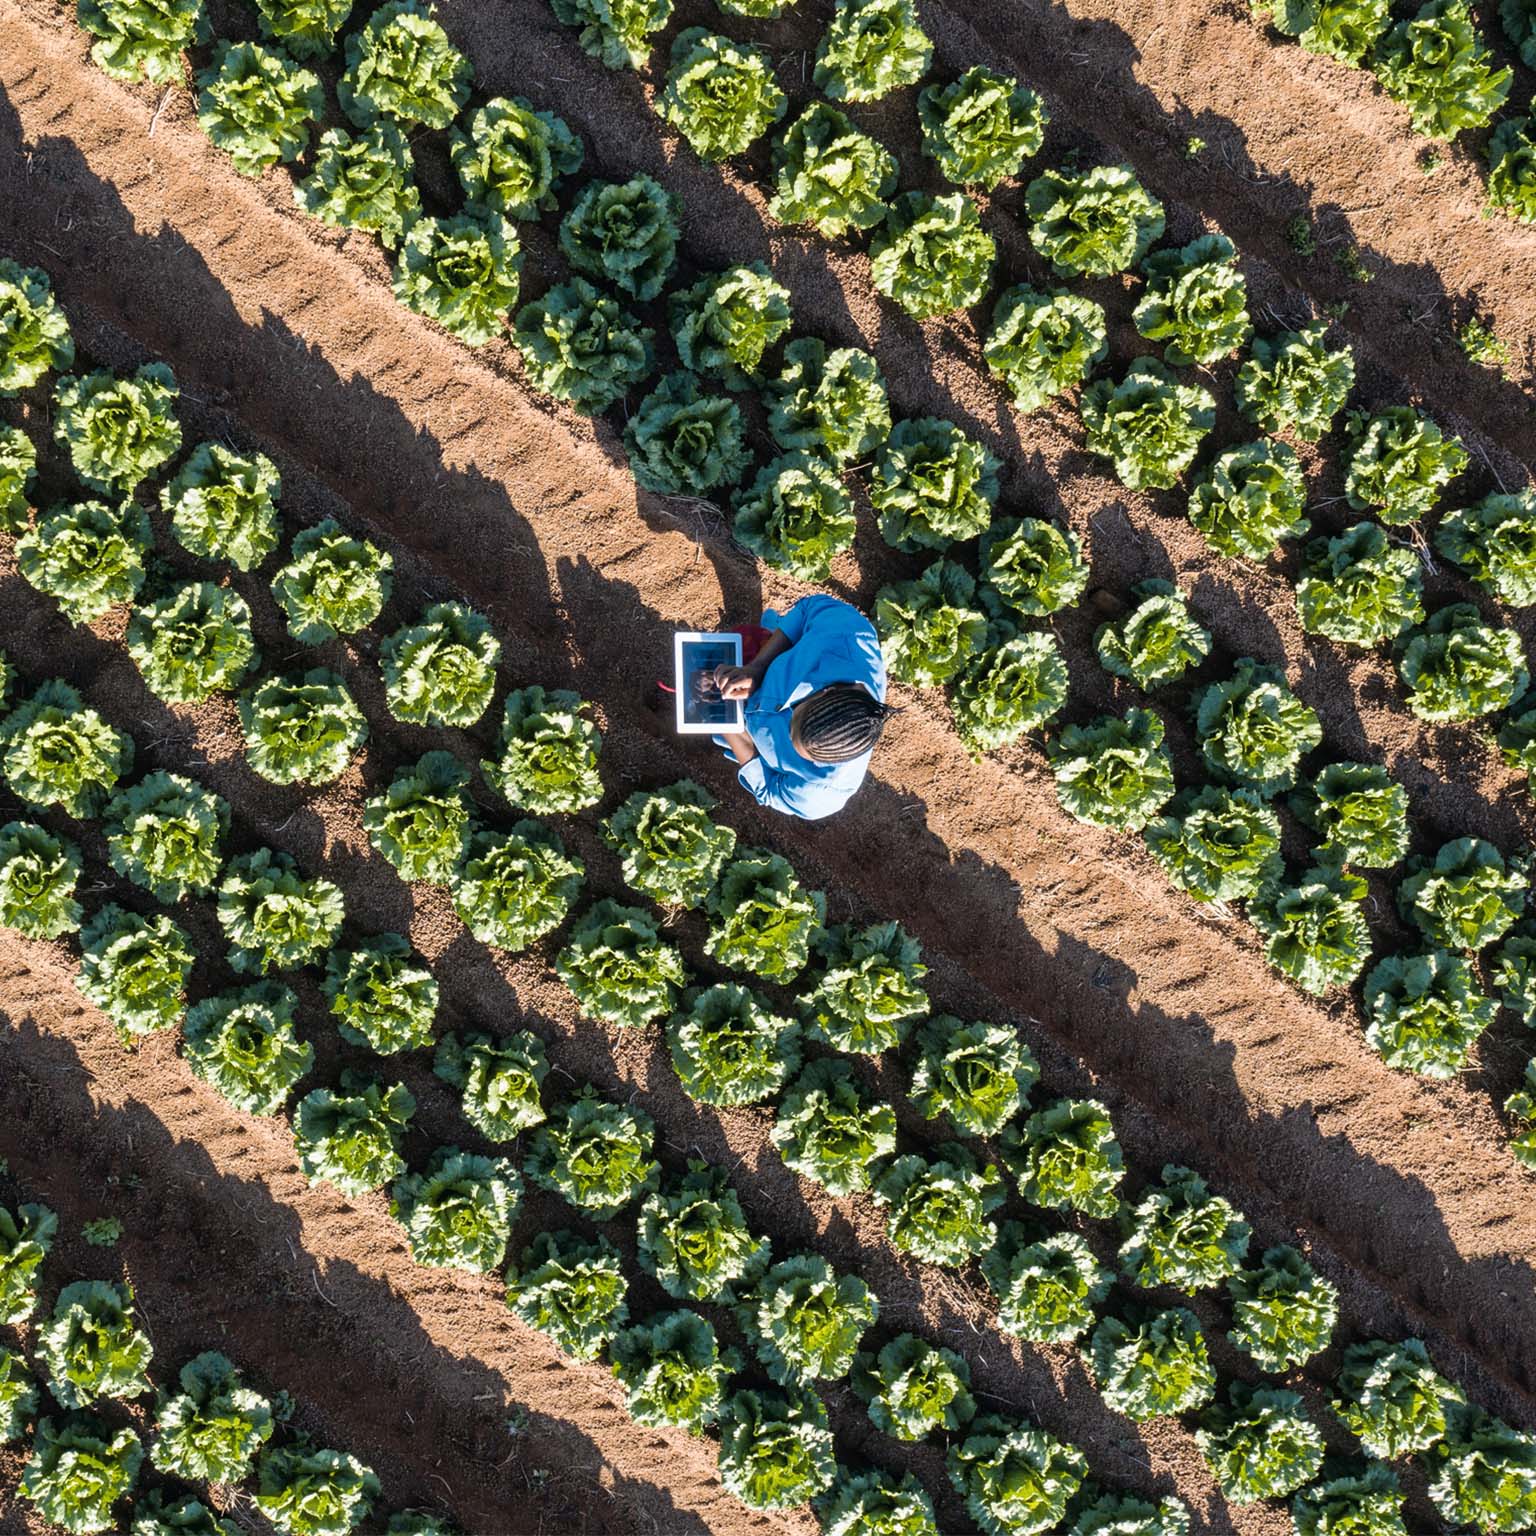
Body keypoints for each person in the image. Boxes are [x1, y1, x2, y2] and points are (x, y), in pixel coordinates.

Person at [705, 593, 893, 821]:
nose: (782, 722)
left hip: (743, 732)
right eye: (792, 717)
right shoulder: (847, 634)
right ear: (826, 691)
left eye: (790, 744)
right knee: (755, 637)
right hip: (762, 669)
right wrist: (757, 668)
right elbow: (807, 609)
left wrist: (728, 720)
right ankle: (770, 633)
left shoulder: (822, 793)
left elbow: (770, 789)